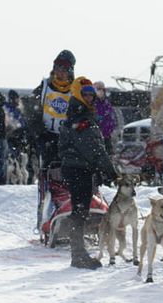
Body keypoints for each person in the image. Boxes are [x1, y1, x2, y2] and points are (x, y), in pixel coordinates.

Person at [58, 77, 117, 270]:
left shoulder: (80, 112)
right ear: (77, 94)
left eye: (92, 94)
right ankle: (78, 255)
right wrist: (111, 171)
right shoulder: (80, 116)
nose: (90, 98)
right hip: (78, 170)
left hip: (77, 168)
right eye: (86, 94)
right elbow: (94, 148)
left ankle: (79, 253)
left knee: (80, 211)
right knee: (80, 212)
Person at [32, 49, 76, 168]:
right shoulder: (44, 87)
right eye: (58, 68)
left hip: (68, 139)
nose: (60, 72)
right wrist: (40, 132)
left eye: (64, 69)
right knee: (49, 170)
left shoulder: (75, 90)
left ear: (70, 71)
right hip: (47, 136)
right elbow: (32, 112)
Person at [93, 81, 117, 155]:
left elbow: (111, 117)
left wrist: (111, 128)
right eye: (98, 89)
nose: (100, 91)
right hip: (95, 137)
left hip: (107, 136)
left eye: (102, 89)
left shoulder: (107, 103)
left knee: (109, 155)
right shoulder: (92, 103)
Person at [4, 90, 28, 157]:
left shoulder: (17, 109)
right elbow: (11, 122)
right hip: (10, 136)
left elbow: (21, 122)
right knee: (11, 154)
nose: (18, 101)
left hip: (18, 136)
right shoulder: (7, 108)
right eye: (16, 99)